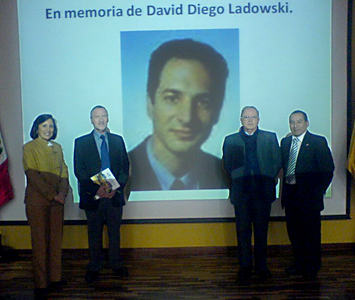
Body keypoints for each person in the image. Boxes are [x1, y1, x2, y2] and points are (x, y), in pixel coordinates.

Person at [128, 39, 229, 191]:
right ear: (150, 104)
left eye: (203, 102)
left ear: (217, 111)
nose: (187, 118)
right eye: (172, 98)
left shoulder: (227, 176)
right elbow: (94, 196)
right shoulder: (117, 167)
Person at [222, 106, 281, 281]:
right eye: (246, 117)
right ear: (241, 119)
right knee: (243, 232)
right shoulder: (230, 140)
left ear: (258, 119)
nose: (249, 120)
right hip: (242, 194)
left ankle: (262, 266)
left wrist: (266, 178)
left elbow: (277, 162)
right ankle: (245, 267)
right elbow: (227, 166)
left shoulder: (269, 138)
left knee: (262, 232)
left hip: (263, 193)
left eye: (253, 117)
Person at [74, 105, 130, 283]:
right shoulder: (81, 142)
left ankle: (116, 264)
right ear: (91, 120)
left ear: (108, 118)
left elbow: (124, 167)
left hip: (114, 195)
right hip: (93, 196)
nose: (100, 120)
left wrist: (115, 187)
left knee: (114, 232)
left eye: (103, 116)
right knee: (94, 233)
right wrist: (96, 189)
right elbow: (79, 171)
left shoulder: (117, 140)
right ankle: (95, 266)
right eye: (96, 117)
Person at [281, 110, 334, 280]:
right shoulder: (285, 141)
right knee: (294, 234)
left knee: (311, 235)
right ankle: (298, 264)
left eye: (298, 122)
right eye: (292, 122)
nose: (295, 125)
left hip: (310, 199)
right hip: (290, 196)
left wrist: (318, 191)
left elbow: (327, 170)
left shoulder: (317, 141)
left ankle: (312, 268)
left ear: (307, 123)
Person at [23, 114, 69, 297]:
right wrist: (53, 195)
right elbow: (33, 177)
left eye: (51, 126)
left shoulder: (58, 147)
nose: (48, 129)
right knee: (40, 243)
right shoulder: (29, 147)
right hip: (37, 201)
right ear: (36, 128)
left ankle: (55, 279)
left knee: (56, 241)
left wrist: (62, 193)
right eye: (44, 126)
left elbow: (64, 172)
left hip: (57, 201)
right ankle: (41, 284)